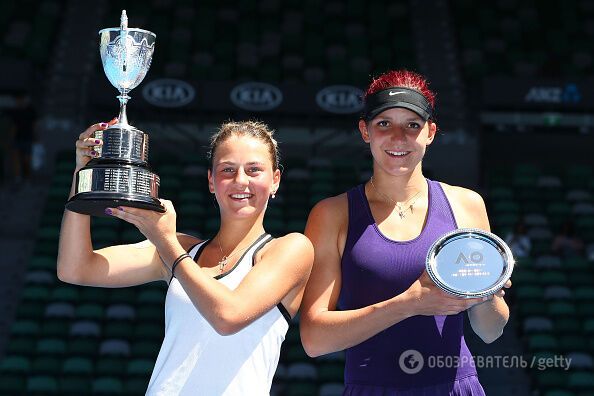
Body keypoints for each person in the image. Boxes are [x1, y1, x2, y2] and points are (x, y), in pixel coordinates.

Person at [57, 119, 313, 395]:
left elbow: (228, 317)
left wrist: (166, 243)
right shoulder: (180, 248)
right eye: (228, 169)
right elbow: (76, 268)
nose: (240, 180)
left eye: (254, 170)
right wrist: (81, 173)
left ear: (275, 180)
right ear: (211, 181)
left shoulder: (291, 249)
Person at [299, 70, 511, 395]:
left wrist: (483, 292)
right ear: (364, 130)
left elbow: (490, 331)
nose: (398, 137)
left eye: (412, 124)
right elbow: (315, 339)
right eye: (384, 123)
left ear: (431, 132)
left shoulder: (466, 205)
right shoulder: (332, 214)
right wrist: (409, 304)